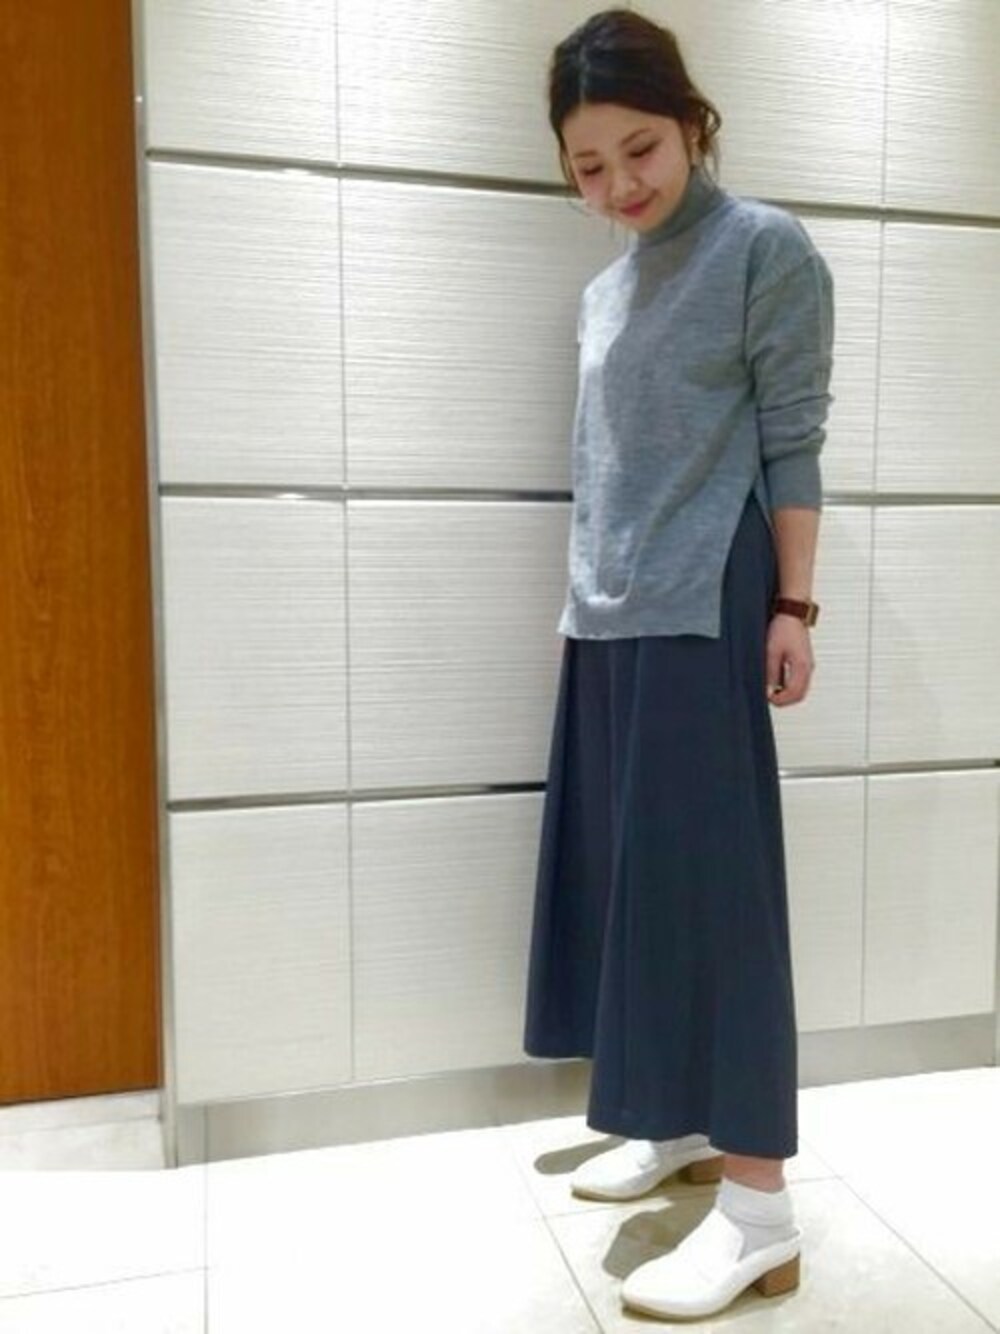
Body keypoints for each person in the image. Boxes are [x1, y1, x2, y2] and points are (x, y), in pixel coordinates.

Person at [521, 8, 835, 1322]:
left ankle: (759, 1211)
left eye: (639, 149)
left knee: (713, 899)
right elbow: (603, 467)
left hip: (709, 604)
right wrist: (581, 604)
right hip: (607, 619)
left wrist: (794, 605)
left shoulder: (765, 247)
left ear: (693, 123)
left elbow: (792, 439)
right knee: (630, 888)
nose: (619, 185)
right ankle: (674, 1121)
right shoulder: (605, 291)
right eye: (588, 167)